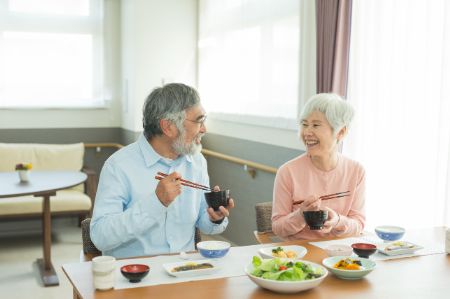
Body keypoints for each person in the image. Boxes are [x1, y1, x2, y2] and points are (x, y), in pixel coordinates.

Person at [90, 83, 234, 258]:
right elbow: (100, 237)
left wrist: (214, 217)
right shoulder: (118, 166)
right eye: (198, 120)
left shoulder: (197, 162)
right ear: (168, 127)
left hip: (185, 269)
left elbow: (203, 222)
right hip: (134, 275)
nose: (204, 129)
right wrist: (156, 203)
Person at [272, 93, 365, 240]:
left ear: (341, 132)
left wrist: (338, 221)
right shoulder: (287, 172)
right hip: (300, 257)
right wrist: (300, 215)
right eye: (304, 124)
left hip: (340, 258)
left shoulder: (356, 171)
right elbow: (277, 227)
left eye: (315, 125)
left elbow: (359, 224)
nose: (307, 132)